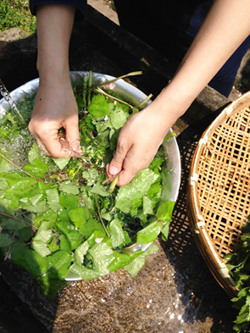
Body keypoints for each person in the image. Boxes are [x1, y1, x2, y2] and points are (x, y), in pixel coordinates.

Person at [28, 0, 250, 186]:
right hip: (139, 7)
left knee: (206, 93)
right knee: (135, 36)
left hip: (221, 21)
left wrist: (166, 112)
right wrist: (52, 77)